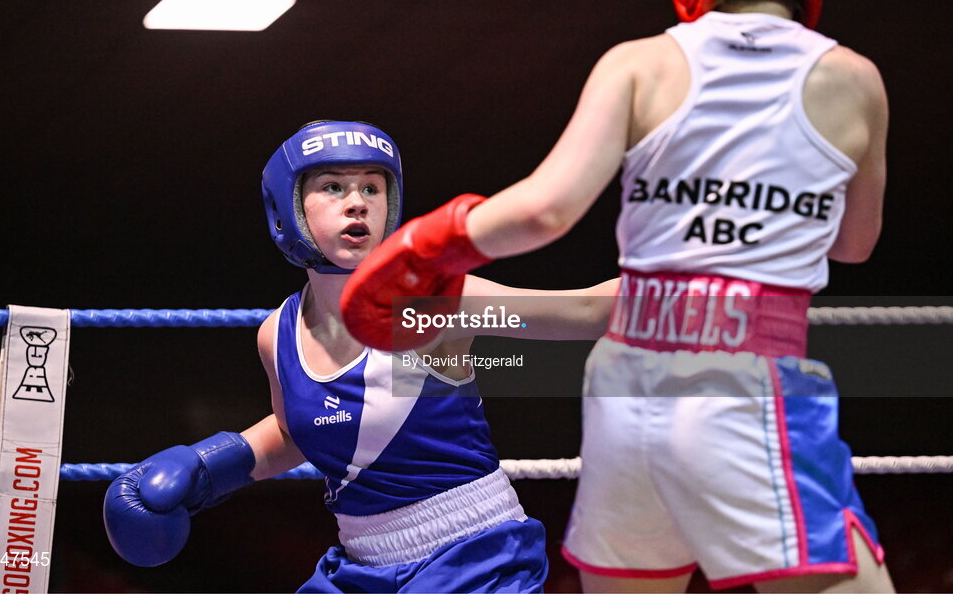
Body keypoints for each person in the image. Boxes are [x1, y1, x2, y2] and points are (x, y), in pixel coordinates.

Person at [340, 0, 894, 592]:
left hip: (624, 385)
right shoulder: (853, 77)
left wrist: (423, 244)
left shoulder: (638, 62)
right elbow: (854, 243)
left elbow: (545, 209)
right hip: (744, 381)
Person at [102, 120, 619, 593]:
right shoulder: (276, 334)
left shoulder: (431, 304)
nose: (357, 203)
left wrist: (690, 272)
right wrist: (209, 467)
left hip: (473, 558)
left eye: (372, 187)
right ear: (288, 207)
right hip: (362, 564)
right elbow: (295, 433)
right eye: (332, 187)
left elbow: (584, 312)